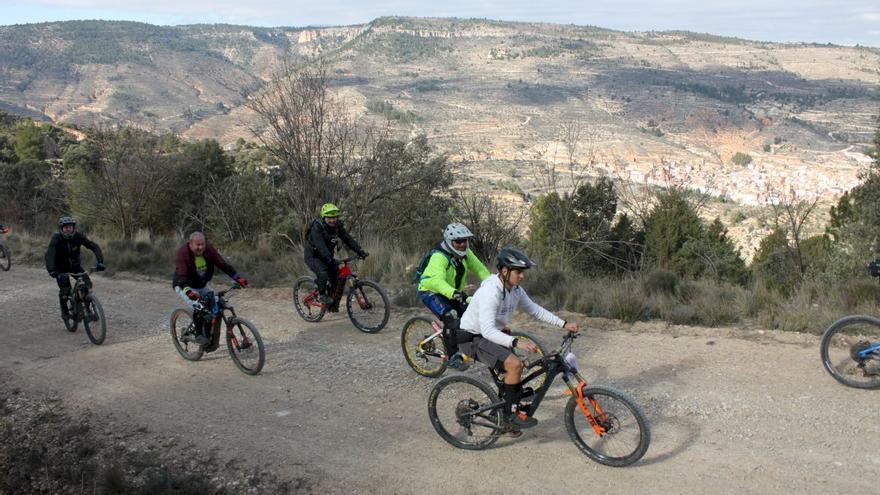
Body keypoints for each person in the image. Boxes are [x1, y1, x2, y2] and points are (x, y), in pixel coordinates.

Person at [459, 247, 578, 429]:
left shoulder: (515, 290)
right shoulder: (490, 293)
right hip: (473, 338)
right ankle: (509, 415)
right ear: (505, 271)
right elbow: (488, 330)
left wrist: (563, 323)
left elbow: (535, 309)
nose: (522, 276)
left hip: (490, 335)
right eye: (518, 272)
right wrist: (516, 341)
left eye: (523, 272)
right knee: (514, 364)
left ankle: (503, 413)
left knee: (516, 368)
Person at [416, 222, 490, 369]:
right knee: (451, 317)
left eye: (465, 241)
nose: (462, 244)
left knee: (471, 314)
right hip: (431, 291)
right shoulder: (439, 257)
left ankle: (468, 345)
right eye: (458, 241)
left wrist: (494, 285)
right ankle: (451, 357)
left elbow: (481, 270)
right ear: (450, 242)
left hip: (452, 292)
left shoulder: (466, 254)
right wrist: (454, 293)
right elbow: (436, 281)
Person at [172, 231, 247, 346]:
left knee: (216, 303)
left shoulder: (209, 250)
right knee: (200, 307)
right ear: (190, 244)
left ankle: (208, 334)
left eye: (202, 244)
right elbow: (181, 277)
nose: (201, 247)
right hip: (184, 285)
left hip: (201, 285)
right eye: (198, 245)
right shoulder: (183, 253)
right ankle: (198, 335)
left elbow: (223, 265)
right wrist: (189, 292)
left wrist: (237, 278)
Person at [304, 203, 367, 310]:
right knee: (323, 272)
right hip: (313, 256)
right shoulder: (317, 227)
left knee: (337, 278)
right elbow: (320, 245)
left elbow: (348, 239)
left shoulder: (337, 227)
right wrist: (329, 258)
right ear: (324, 217)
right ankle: (322, 295)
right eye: (330, 218)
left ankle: (332, 306)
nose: (333, 220)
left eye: (334, 217)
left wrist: (360, 250)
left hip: (327, 256)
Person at [45, 216, 105, 319]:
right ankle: (65, 312)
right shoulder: (56, 238)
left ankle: (88, 310)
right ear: (61, 228)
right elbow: (49, 254)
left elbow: (93, 246)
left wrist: (100, 261)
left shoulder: (78, 236)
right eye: (66, 227)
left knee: (87, 285)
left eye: (70, 227)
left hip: (75, 267)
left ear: (73, 227)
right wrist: (51, 270)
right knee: (65, 290)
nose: (68, 229)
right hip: (60, 268)